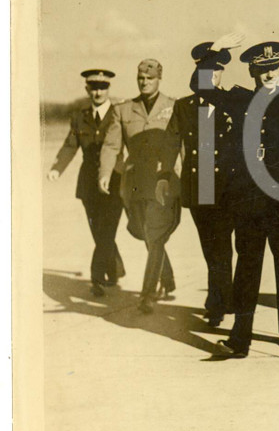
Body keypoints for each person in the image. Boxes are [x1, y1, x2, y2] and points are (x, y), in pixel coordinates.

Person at [215, 40, 279, 358]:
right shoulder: (237, 100)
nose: (268, 74)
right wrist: (216, 53)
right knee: (247, 266)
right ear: (251, 71)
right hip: (247, 200)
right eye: (261, 69)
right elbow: (200, 87)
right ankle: (240, 339)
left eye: (273, 68)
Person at [162, 42, 240, 327]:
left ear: (222, 75)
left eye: (217, 71)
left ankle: (217, 303)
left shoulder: (231, 101)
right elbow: (171, 142)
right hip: (199, 185)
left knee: (222, 247)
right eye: (207, 70)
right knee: (212, 248)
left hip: (227, 186)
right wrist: (163, 175)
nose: (213, 77)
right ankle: (221, 298)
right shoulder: (184, 106)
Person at [99, 59, 181, 314]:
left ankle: (147, 294)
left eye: (150, 78)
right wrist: (105, 172)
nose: (144, 82)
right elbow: (112, 145)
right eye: (141, 78)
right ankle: (166, 278)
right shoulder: (123, 110)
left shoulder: (174, 107)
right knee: (145, 233)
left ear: (159, 79)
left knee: (155, 234)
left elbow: (185, 145)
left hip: (163, 181)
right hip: (134, 184)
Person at [48, 69, 126, 296]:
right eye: (93, 87)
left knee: (106, 229)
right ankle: (115, 269)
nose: (98, 92)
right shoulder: (79, 117)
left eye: (102, 87)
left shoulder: (119, 114)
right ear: (87, 90)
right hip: (88, 185)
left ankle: (97, 278)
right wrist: (57, 168)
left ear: (108, 89)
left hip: (114, 179)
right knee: (98, 230)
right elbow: (70, 145)